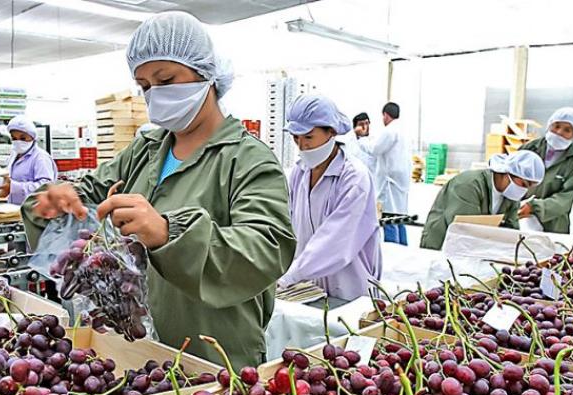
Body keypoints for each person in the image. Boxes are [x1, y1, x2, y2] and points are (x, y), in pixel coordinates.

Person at [21, 12, 295, 367]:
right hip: (134, 354)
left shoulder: (247, 160)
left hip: (213, 358)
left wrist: (168, 233)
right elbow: (84, 196)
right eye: (145, 85)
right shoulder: (145, 151)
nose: (155, 94)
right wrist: (54, 201)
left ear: (205, 73)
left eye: (166, 79)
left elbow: (266, 248)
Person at [277, 95, 382, 301]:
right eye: (295, 138)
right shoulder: (299, 173)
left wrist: (292, 275)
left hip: (349, 289)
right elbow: (287, 225)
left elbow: (335, 238)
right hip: (308, 288)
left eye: (308, 137)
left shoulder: (353, 177)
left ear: (331, 132)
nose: (301, 146)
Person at [420, 151, 545, 250]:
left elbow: (510, 231)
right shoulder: (468, 185)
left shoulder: (510, 196)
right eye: (523, 183)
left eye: (530, 186)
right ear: (508, 172)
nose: (524, 190)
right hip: (442, 246)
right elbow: (464, 230)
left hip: (475, 250)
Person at [518, 107, 573, 233]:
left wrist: (535, 207)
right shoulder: (530, 148)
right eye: (556, 126)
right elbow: (511, 177)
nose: (559, 132)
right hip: (520, 216)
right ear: (549, 125)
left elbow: (565, 198)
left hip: (553, 225)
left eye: (567, 130)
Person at [367, 102, 410, 245]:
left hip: (390, 181)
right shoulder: (403, 130)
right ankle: (404, 251)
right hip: (401, 181)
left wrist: (362, 139)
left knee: (389, 217)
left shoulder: (389, 131)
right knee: (400, 217)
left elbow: (375, 149)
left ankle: (393, 253)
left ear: (385, 115)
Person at [0, 116, 57, 204]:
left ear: (32, 137)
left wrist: (14, 187)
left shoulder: (40, 157)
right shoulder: (14, 154)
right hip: (15, 208)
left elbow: (46, 187)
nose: (18, 142)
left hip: (33, 212)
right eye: (14, 138)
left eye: (23, 138)